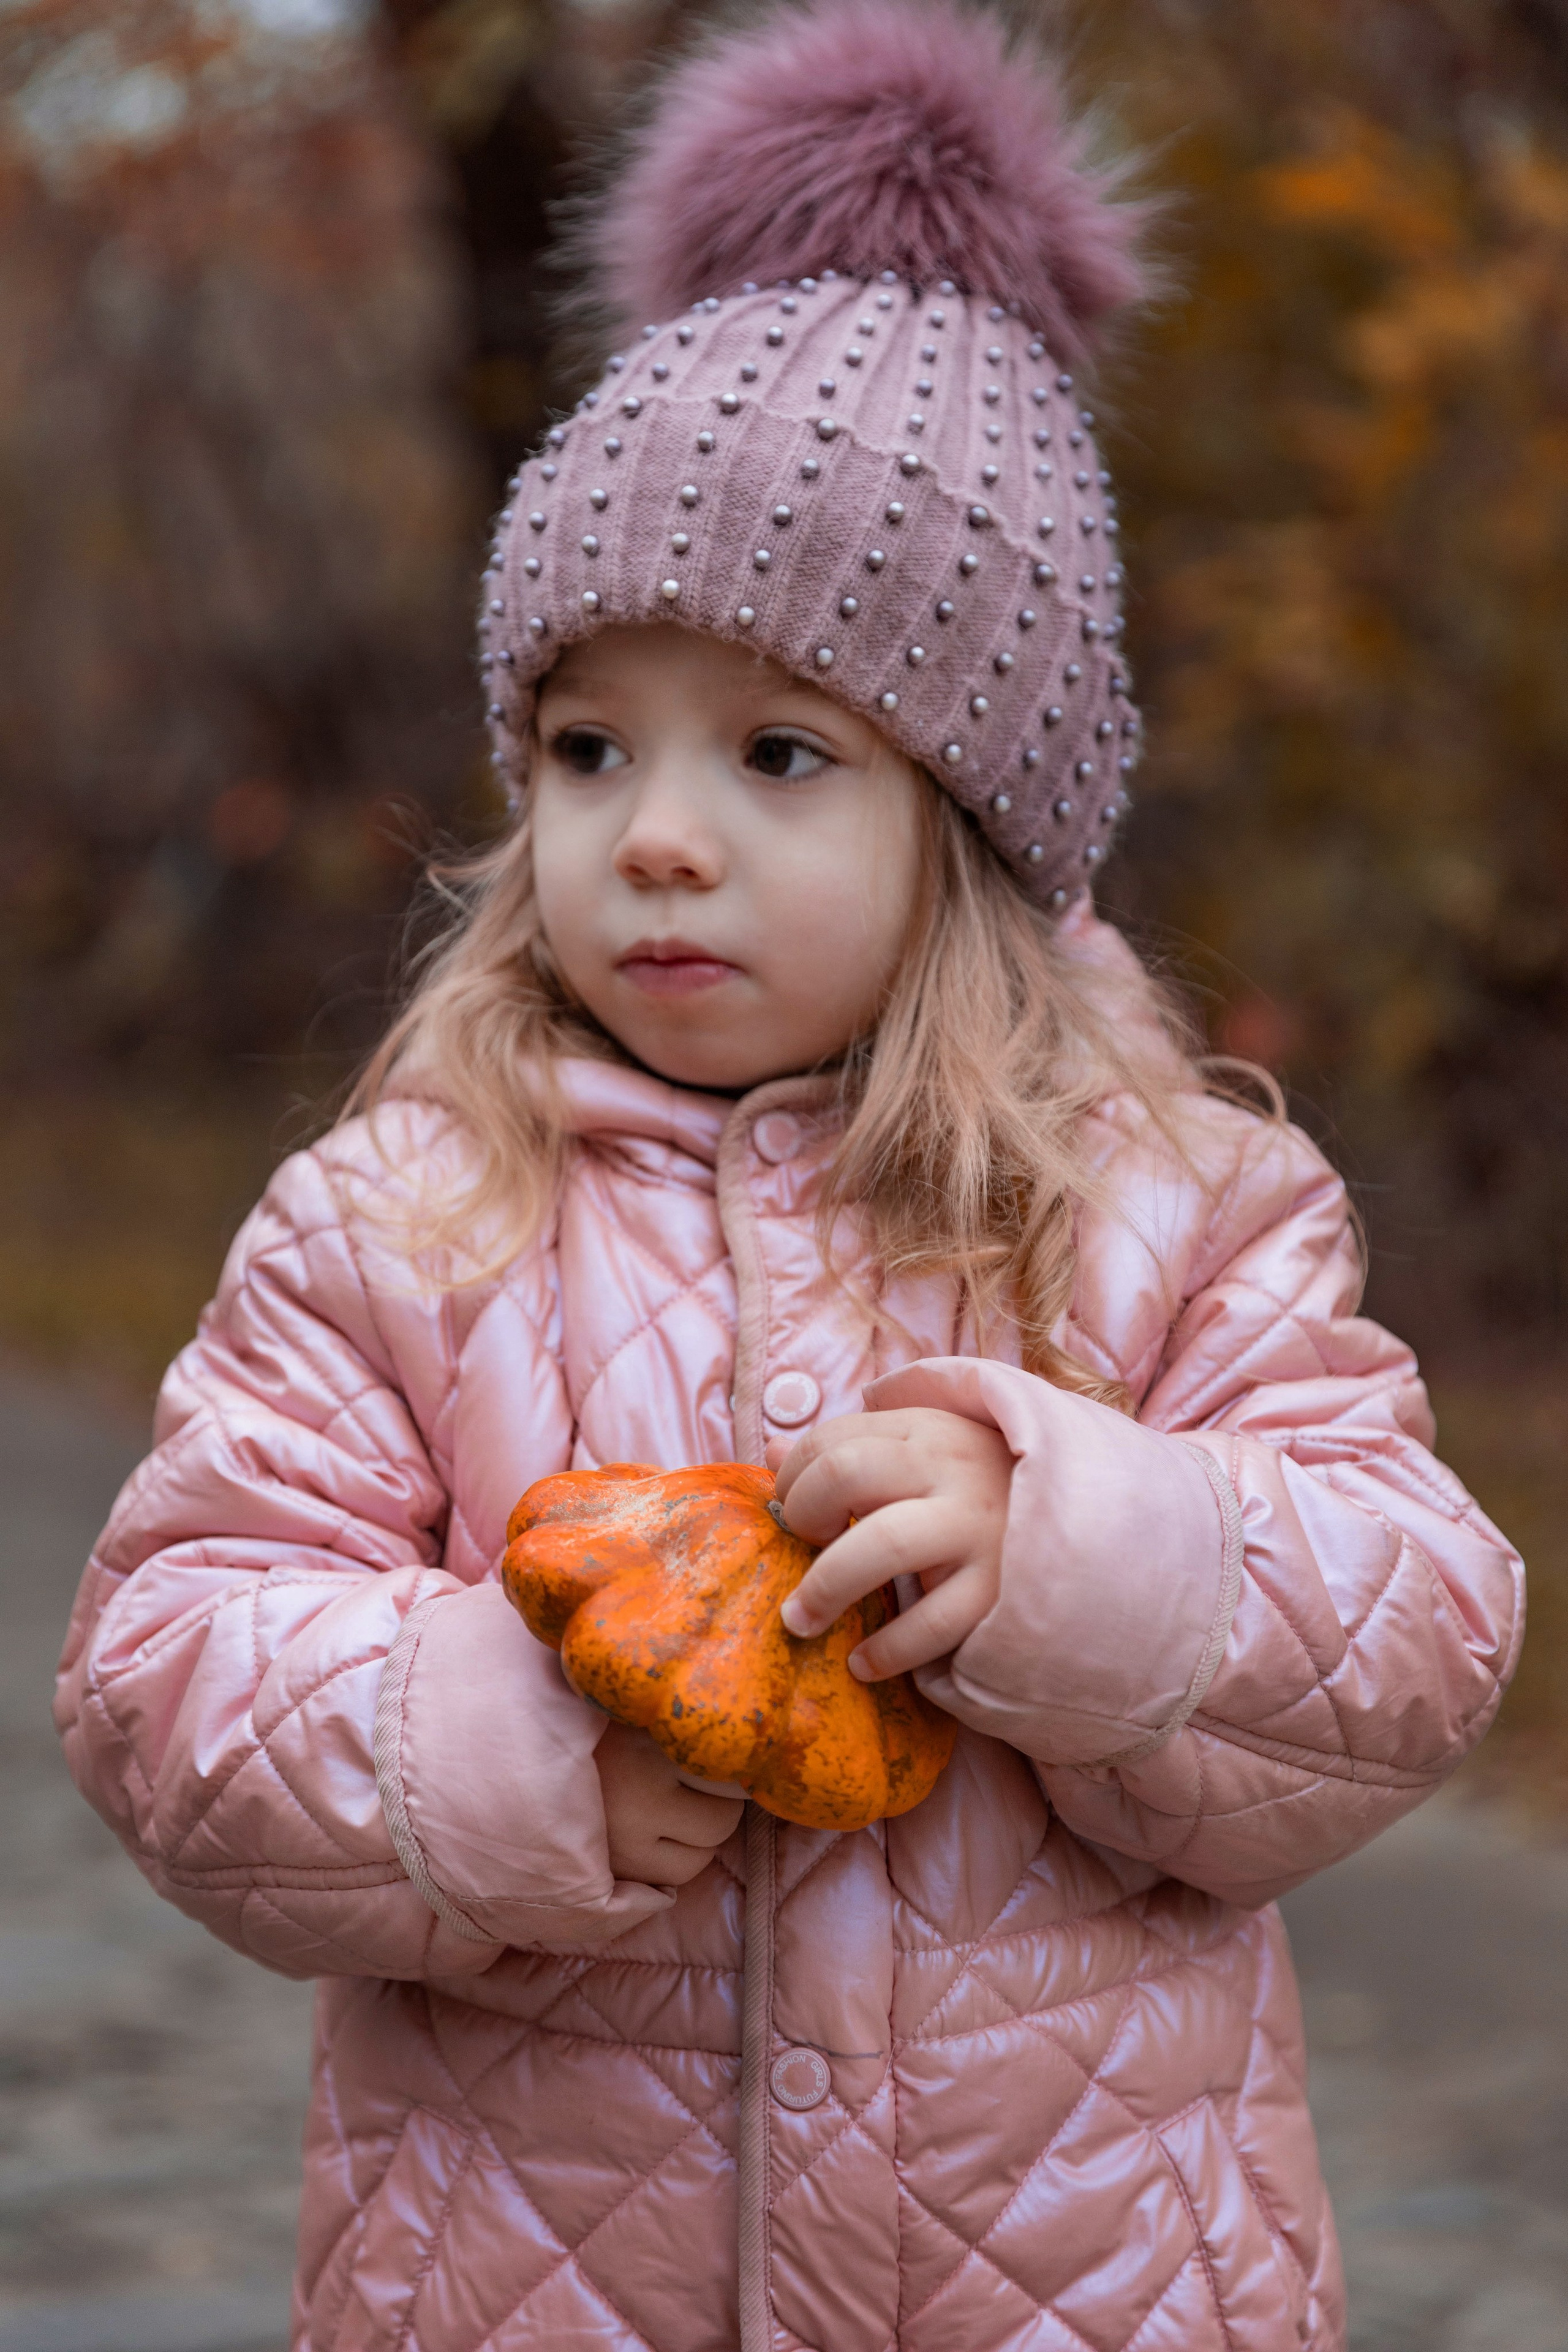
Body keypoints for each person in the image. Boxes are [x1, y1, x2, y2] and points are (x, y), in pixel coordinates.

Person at [55, 5, 1523, 2347]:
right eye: (585, 741)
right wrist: (506, 1755)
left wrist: (1085, 1556)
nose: (653, 830)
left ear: (974, 819)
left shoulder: (1161, 1203)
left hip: (1089, 2292)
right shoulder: (404, 1221)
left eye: (774, 750)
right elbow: (167, 1674)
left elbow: (1413, 1630)